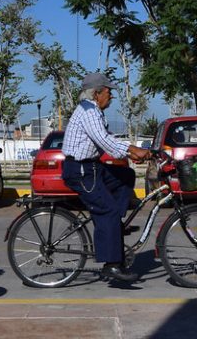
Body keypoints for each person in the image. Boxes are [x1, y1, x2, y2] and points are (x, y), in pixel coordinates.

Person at [61, 73, 152, 282]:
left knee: (125, 176)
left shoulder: (94, 111)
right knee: (108, 210)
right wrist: (132, 150)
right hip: (81, 171)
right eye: (108, 92)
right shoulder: (89, 111)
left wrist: (131, 152)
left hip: (93, 167)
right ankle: (111, 264)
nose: (111, 96)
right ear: (97, 93)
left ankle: (113, 227)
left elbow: (108, 138)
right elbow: (103, 141)